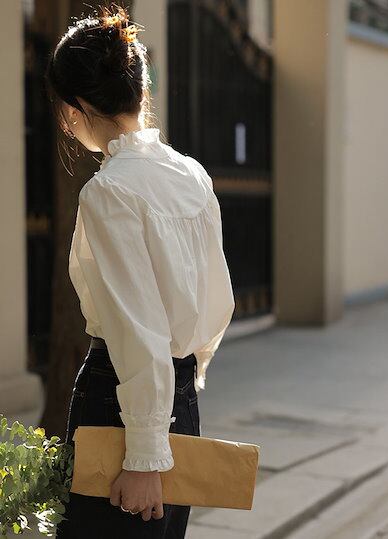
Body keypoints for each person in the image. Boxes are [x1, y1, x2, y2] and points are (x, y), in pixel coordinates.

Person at [44, 4, 235, 538]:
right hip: (175, 396)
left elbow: (137, 330)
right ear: (139, 90)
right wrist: (184, 383)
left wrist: (145, 457)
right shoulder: (191, 174)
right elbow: (217, 298)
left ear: (77, 108)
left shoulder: (109, 191)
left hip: (122, 401)